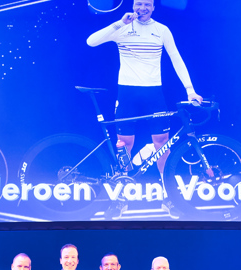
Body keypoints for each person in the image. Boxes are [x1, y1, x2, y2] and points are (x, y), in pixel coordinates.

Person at [87, 0, 203, 208]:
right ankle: (121, 199)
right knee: (124, 145)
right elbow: (91, 42)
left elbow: (176, 58)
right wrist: (119, 23)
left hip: (153, 93)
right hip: (127, 92)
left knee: (162, 143)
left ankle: (168, 197)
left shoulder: (162, 30)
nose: (143, 8)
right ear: (133, 5)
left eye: (147, 4)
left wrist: (190, 89)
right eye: (139, 3)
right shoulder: (122, 27)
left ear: (153, 7)